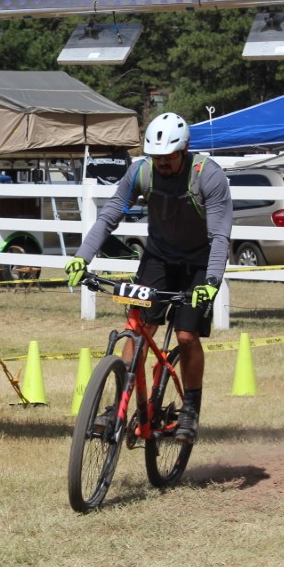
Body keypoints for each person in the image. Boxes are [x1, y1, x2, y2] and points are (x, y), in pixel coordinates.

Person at [65, 113, 232, 443]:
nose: (162, 163)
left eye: (168, 157)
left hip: (199, 262)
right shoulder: (141, 172)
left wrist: (211, 282)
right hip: (158, 257)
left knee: (186, 336)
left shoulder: (208, 175)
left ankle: (190, 410)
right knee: (138, 329)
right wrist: (82, 257)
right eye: (156, 157)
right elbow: (109, 215)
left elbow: (219, 236)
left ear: (184, 151)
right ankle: (117, 408)